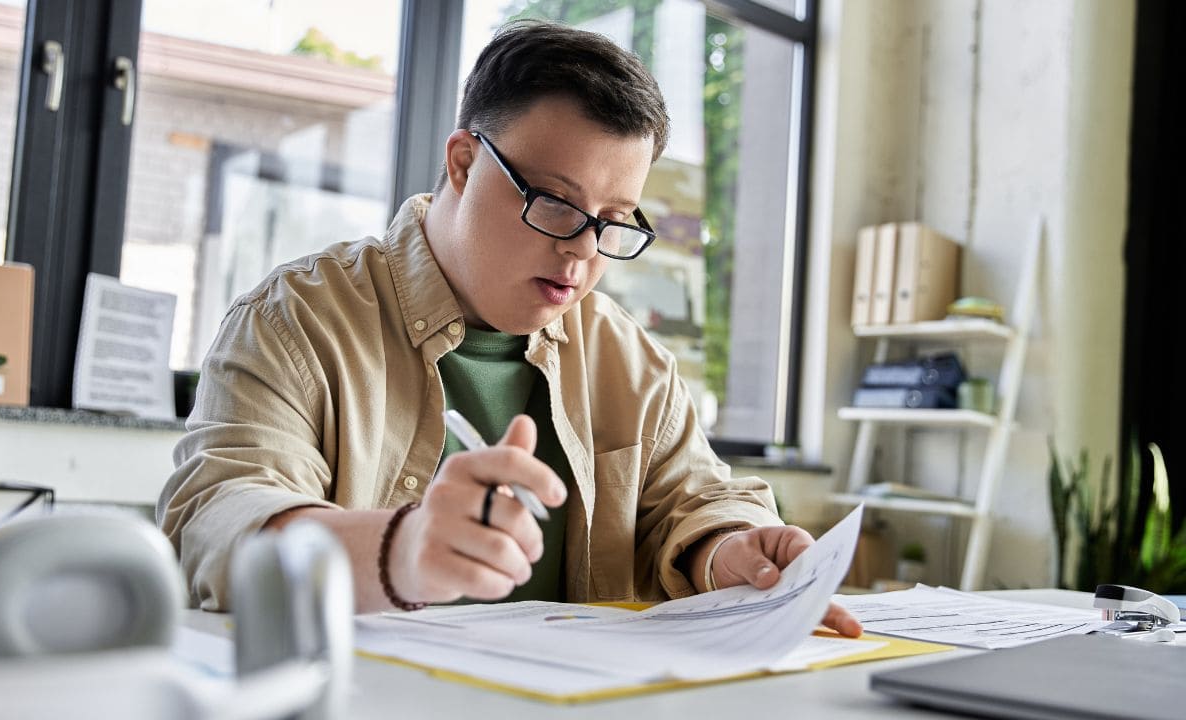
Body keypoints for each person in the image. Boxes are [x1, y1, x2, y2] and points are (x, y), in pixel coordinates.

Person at [158, 20, 860, 637]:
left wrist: (727, 550)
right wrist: (399, 550)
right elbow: (217, 519)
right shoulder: (296, 320)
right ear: (463, 163)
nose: (582, 251)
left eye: (614, 221)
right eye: (555, 203)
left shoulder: (629, 359)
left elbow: (695, 499)